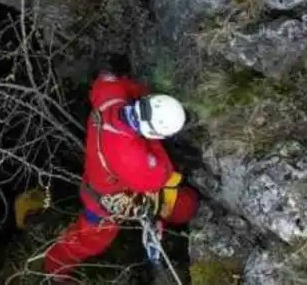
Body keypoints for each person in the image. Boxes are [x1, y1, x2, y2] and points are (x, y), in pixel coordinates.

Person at [42, 72, 199, 279]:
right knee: (88, 241)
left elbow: (104, 81)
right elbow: (161, 174)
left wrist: (139, 93)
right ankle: (53, 272)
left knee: (180, 202)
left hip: (102, 177)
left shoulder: (111, 97)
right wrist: (153, 142)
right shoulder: (129, 156)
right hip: (105, 200)